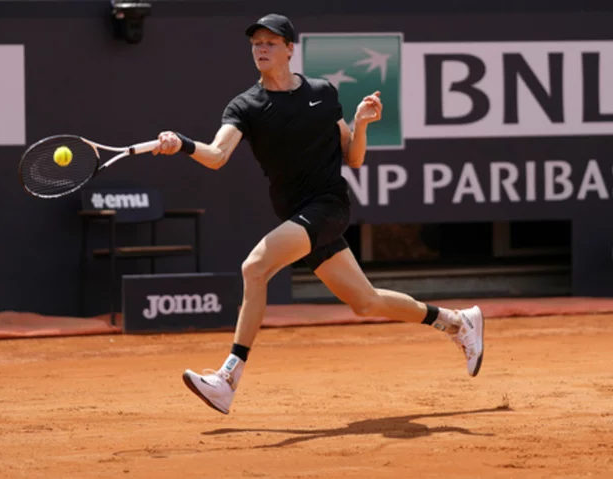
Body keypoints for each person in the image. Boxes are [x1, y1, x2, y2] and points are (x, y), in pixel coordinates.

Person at [152, 13, 484, 415]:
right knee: (366, 302)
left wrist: (361, 124)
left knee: (254, 268)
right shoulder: (246, 105)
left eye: (271, 42)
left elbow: (354, 157)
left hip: (328, 206)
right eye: (256, 42)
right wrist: (182, 144)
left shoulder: (323, 93)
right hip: (296, 214)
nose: (261, 48)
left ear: (290, 49)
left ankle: (228, 378)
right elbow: (218, 155)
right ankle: (457, 322)